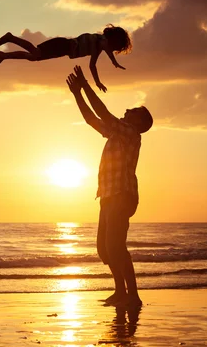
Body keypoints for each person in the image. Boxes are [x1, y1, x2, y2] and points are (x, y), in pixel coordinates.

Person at [65, 66, 152, 307]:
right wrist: (77, 94)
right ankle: (121, 292)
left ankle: (131, 295)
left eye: (132, 110)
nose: (126, 110)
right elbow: (92, 119)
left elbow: (103, 112)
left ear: (139, 122)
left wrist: (85, 85)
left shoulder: (131, 133)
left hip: (122, 196)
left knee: (115, 246)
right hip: (108, 196)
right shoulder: (117, 134)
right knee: (105, 250)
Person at [0, 25, 132, 92]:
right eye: (115, 48)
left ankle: (4, 55)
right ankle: (10, 37)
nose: (112, 51)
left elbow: (92, 66)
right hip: (62, 45)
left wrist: (98, 82)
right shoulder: (101, 41)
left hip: (62, 50)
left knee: (33, 57)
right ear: (113, 40)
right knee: (35, 53)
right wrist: (113, 62)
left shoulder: (98, 48)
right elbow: (104, 48)